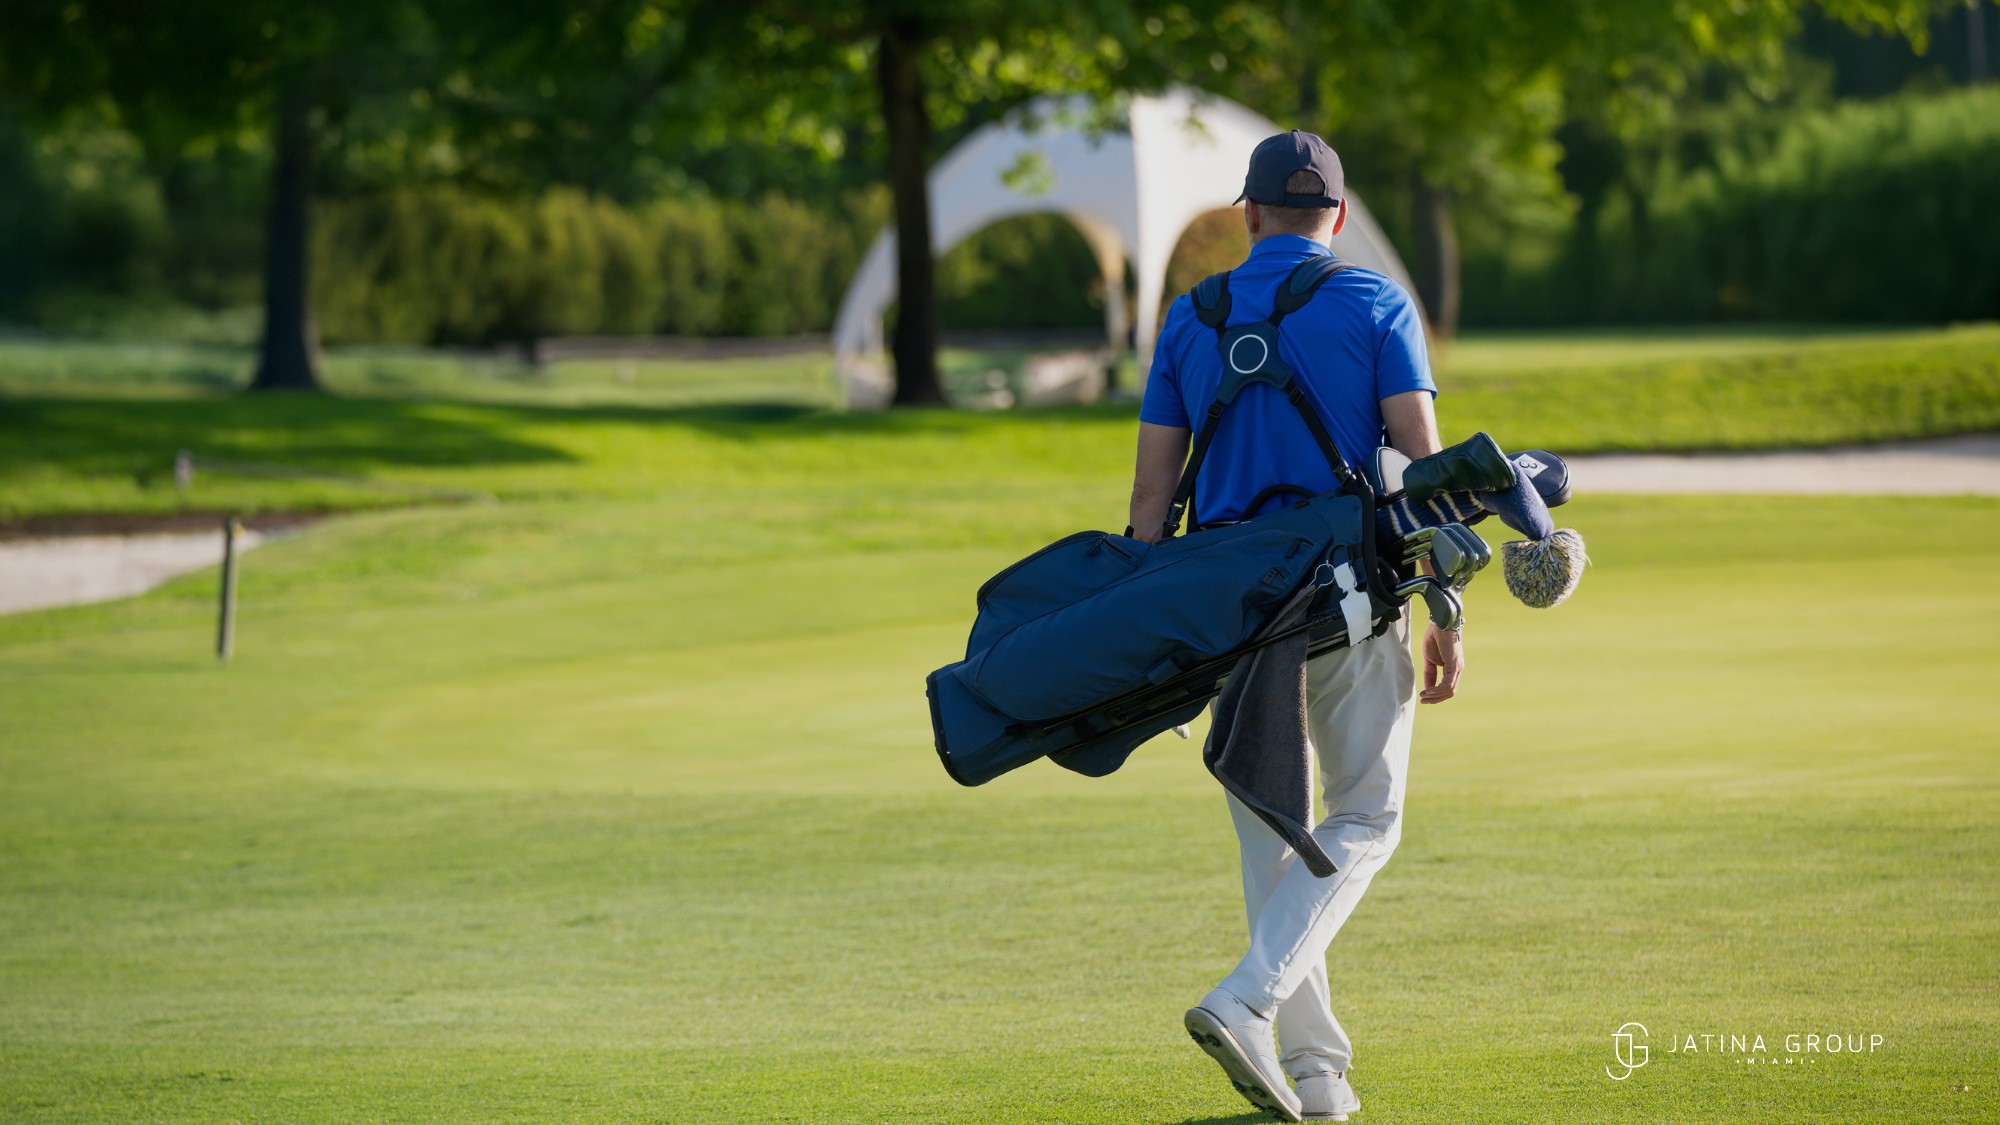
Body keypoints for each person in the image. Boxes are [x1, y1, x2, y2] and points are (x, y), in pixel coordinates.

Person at [1128, 130, 1462, 1123]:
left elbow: (1150, 503)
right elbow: (1421, 463)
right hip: (1351, 605)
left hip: (1229, 619)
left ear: (1246, 212)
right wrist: (1446, 602)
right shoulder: (1372, 300)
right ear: (1341, 218)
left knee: (1274, 841)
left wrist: (1151, 644)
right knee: (1365, 815)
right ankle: (1247, 1000)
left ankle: (1316, 1078)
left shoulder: (1188, 317)